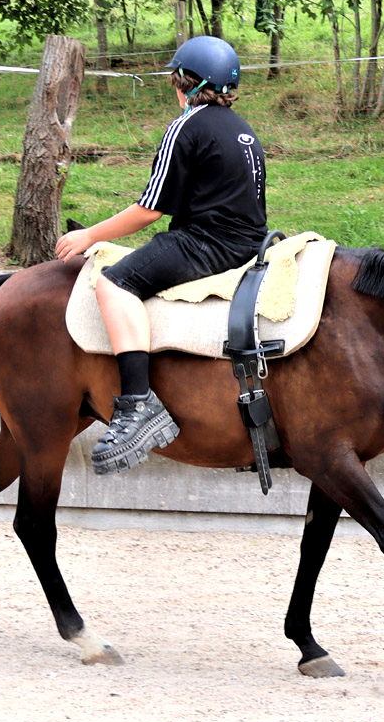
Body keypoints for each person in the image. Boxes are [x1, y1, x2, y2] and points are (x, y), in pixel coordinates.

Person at [56, 36, 268, 475]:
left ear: (184, 84)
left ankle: (136, 405)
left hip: (207, 244)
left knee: (114, 283)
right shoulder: (243, 129)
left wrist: (89, 236)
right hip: (250, 243)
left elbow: (150, 209)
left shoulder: (186, 126)